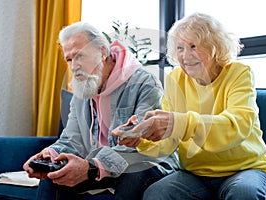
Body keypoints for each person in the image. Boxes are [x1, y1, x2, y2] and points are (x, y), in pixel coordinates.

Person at [112, 12, 266, 199]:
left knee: (244, 193)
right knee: (156, 194)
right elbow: (168, 142)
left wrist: (178, 123)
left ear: (215, 47)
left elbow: (238, 125)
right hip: (196, 175)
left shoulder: (238, 73)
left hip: (245, 170)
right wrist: (142, 138)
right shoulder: (175, 79)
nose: (186, 56)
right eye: (180, 48)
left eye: (193, 46)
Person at [23, 21, 178, 200]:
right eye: (69, 59)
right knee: (54, 176)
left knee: (133, 176)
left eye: (80, 56)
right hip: (97, 167)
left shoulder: (144, 83)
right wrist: (50, 155)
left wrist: (93, 166)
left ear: (103, 52)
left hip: (144, 164)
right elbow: (72, 139)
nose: (74, 66)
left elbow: (140, 145)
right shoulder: (82, 89)